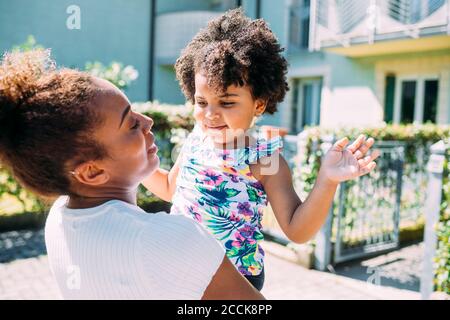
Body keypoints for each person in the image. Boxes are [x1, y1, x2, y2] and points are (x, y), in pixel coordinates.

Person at [143, 9, 380, 291]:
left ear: (259, 104)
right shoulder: (196, 139)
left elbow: (296, 229)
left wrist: (327, 180)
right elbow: (172, 188)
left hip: (236, 282)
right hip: (182, 270)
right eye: (201, 102)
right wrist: (135, 167)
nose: (211, 114)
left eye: (227, 103)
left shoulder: (265, 159)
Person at [0, 49, 264, 299]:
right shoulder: (172, 240)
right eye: (130, 124)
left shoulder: (59, 219)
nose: (147, 122)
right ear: (92, 172)